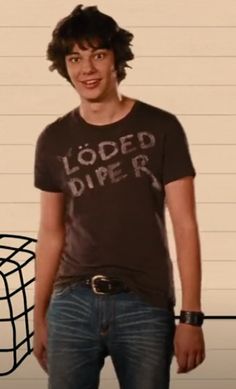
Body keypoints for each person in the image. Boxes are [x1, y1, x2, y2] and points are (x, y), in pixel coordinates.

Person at [33, 4, 205, 389]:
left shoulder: (162, 127)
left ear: (115, 60)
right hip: (71, 302)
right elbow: (50, 232)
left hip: (144, 302)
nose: (86, 69)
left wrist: (191, 317)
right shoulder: (53, 139)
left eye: (97, 54)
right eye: (75, 58)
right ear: (65, 66)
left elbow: (185, 225)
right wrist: (40, 316)